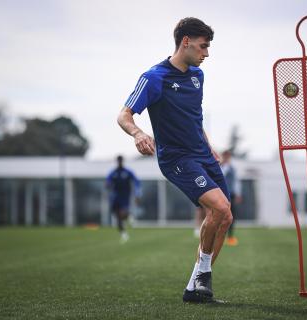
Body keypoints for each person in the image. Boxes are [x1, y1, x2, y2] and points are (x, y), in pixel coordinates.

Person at [117, 17, 232, 303]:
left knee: (225, 216)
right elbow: (124, 115)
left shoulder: (197, 76)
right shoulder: (154, 77)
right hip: (177, 158)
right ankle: (203, 276)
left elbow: (194, 117)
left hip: (203, 154)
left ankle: (195, 289)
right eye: (203, 47)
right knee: (217, 207)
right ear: (186, 42)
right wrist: (138, 133)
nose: (207, 54)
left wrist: (209, 145)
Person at [106, 155, 141, 243]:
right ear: (117, 162)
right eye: (118, 161)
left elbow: (136, 181)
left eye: (121, 161)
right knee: (117, 216)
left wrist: (137, 194)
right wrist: (108, 184)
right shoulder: (113, 172)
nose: (119, 162)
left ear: (123, 161)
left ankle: (128, 215)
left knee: (122, 213)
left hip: (125, 196)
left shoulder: (127, 172)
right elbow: (108, 181)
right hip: (115, 196)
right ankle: (123, 233)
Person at [220, 150, 242, 246]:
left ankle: (230, 237)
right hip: (221, 194)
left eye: (228, 156)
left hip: (231, 194)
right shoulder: (220, 167)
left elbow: (236, 181)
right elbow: (221, 175)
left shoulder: (233, 168)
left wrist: (238, 193)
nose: (227, 158)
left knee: (231, 216)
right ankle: (219, 236)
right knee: (220, 216)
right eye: (225, 156)